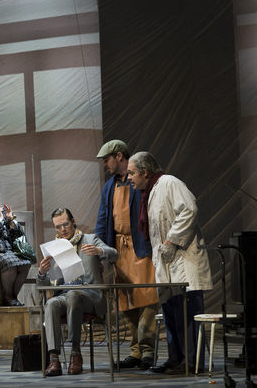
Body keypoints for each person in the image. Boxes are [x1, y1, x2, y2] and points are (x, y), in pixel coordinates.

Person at [127, 151, 212, 374]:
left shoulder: (169, 183)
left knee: (187, 314)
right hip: (166, 262)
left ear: (145, 172)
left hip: (183, 260)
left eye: (132, 173)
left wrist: (171, 240)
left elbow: (189, 210)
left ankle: (191, 362)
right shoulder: (149, 192)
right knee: (171, 312)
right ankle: (175, 358)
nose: (129, 177)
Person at [94, 140, 158, 370]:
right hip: (119, 250)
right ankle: (136, 351)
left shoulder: (138, 182)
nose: (105, 165)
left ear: (119, 156)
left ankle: (148, 349)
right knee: (127, 301)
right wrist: (101, 249)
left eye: (107, 160)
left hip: (140, 246)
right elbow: (103, 219)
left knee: (148, 297)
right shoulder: (109, 186)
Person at [39, 207, 118, 376]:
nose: (62, 229)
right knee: (51, 303)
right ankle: (54, 359)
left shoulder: (90, 239)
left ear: (73, 222)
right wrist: (42, 273)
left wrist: (100, 251)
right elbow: (44, 284)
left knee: (73, 295)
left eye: (65, 224)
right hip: (65, 295)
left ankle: (75, 353)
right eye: (58, 227)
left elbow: (114, 254)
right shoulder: (54, 249)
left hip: (91, 295)